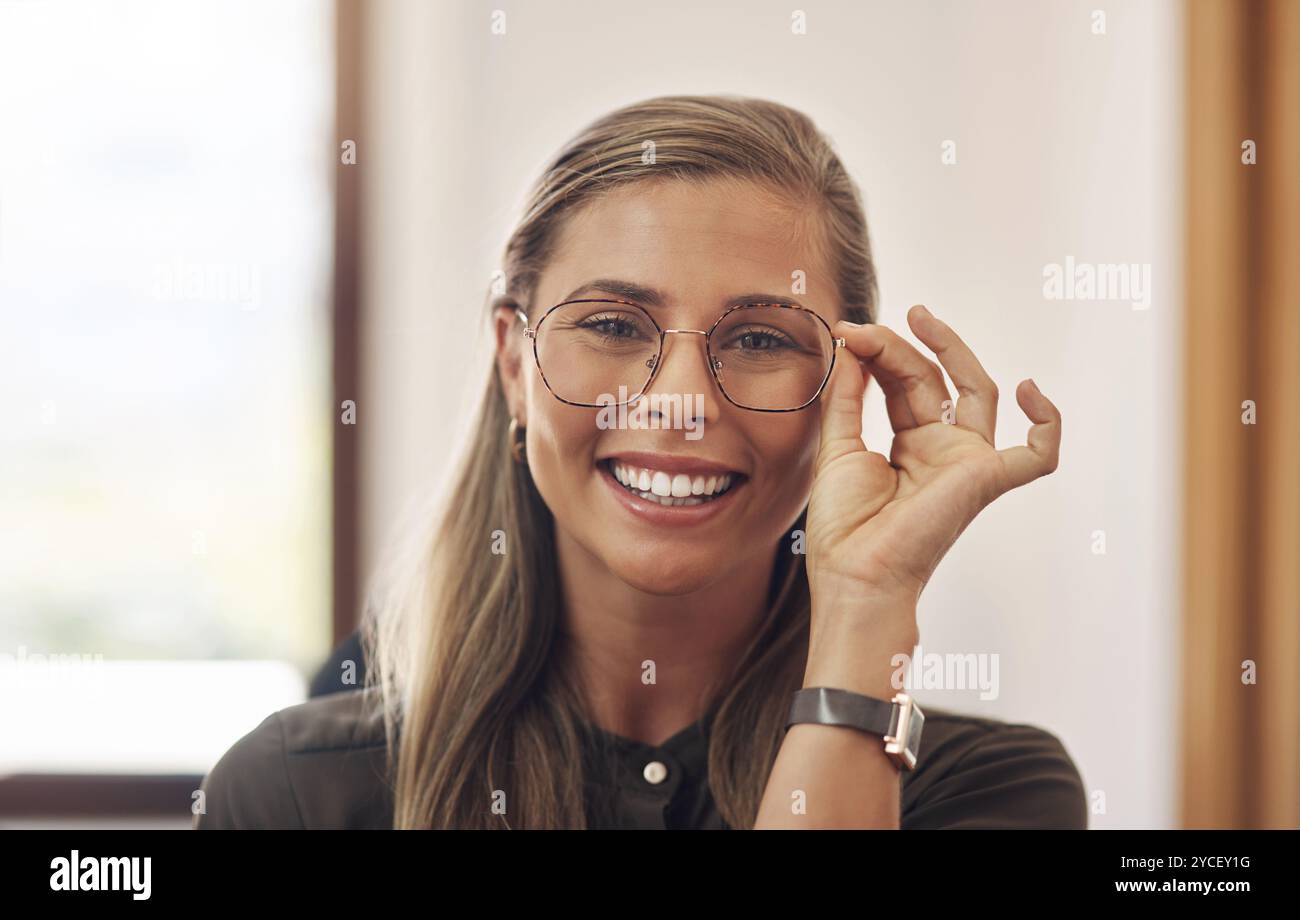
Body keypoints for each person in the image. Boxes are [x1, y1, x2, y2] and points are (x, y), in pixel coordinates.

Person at [195, 94, 1083, 830]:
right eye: (615, 326)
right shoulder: (292, 794)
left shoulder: (991, 792)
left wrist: (868, 606)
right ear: (514, 362)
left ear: (844, 386)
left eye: (761, 337)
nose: (683, 402)